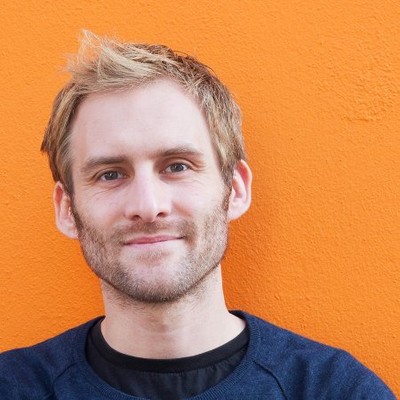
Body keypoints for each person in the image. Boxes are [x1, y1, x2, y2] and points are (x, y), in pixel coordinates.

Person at [0, 31, 395, 400]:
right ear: (67, 209)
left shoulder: (332, 389)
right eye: (110, 174)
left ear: (235, 189)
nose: (147, 205)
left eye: (177, 166)